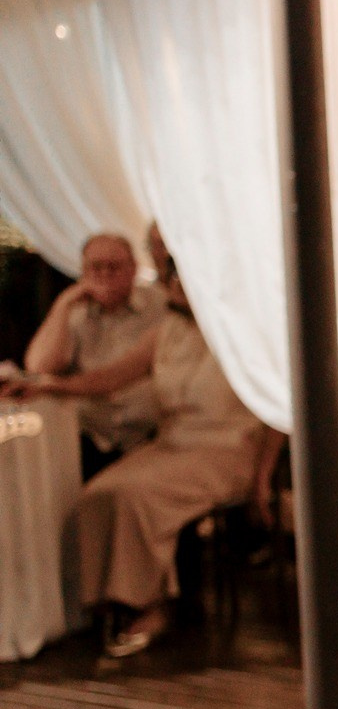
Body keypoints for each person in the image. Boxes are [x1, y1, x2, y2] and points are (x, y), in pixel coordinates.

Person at [3, 262, 279, 657]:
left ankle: (150, 607)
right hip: (171, 444)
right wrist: (51, 386)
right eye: (172, 278)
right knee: (97, 492)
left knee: (137, 495)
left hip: (228, 449)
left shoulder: (248, 336)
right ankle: (110, 602)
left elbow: (279, 414)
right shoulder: (165, 332)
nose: (175, 286)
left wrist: (264, 477)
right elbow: (110, 378)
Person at [21, 232, 166, 478]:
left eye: (113, 267)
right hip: (91, 439)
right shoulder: (75, 313)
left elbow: (119, 375)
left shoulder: (159, 305)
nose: (104, 275)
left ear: (133, 269)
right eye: (95, 267)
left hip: (149, 436)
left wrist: (56, 386)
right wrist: (63, 304)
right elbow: (38, 367)